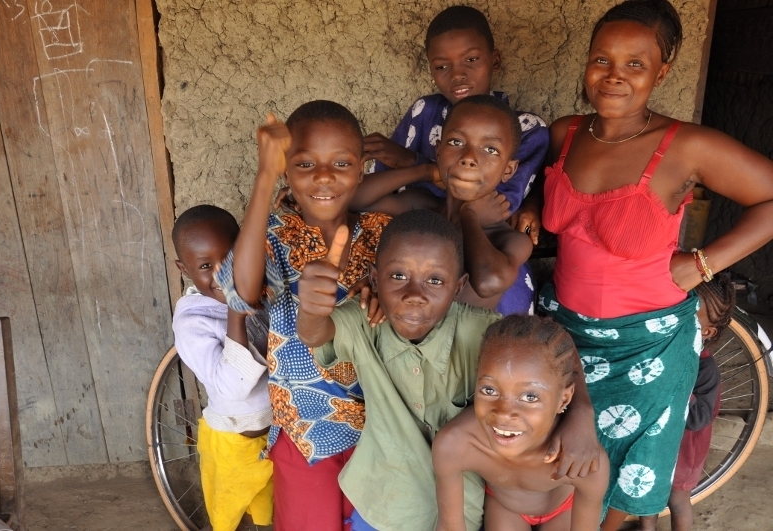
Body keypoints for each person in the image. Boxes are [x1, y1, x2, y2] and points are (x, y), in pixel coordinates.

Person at [538, 1, 773, 529]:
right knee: (555, 464)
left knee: (630, 467)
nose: (614, 75)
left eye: (635, 64)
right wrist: (533, 210)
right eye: (602, 59)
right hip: (565, 334)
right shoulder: (566, 134)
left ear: (662, 72)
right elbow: (540, 195)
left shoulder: (686, 146)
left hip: (649, 345)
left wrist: (704, 264)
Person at [295, 209, 597, 531]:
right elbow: (315, 334)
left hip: (463, 507)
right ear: (374, 278)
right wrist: (311, 309)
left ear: (458, 287)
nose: (414, 295)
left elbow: (553, 346)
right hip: (384, 502)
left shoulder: (481, 332)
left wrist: (581, 413)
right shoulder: (364, 320)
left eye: (435, 280)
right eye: (398, 276)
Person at [213, 100, 390, 531]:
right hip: (305, 432)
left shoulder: (383, 234)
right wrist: (263, 176)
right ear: (286, 173)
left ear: (362, 170)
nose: (324, 176)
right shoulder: (275, 235)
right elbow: (241, 294)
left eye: (341, 163)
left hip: (382, 428)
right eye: (305, 163)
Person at [360, 5, 549, 314]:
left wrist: (412, 162)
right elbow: (373, 192)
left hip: (486, 255)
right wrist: (424, 170)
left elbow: (495, 204)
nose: (458, 74)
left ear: (495, 60)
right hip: (419, 250)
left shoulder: (525, 128)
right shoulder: (424, 112)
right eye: (441, 66)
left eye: (471, 60)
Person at [352, 95, 534, 313]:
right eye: (456, 142)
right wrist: (426, 171)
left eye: (490, 150)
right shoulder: (422, 206)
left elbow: (488, 282)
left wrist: (469, 217)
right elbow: (353, 199)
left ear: (508, 170)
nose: (469, 158)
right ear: (438, 151)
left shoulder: (510, 240)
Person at [433, 315, 609, 531]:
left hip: (565, 508)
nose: (504, 414)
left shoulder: (582, 460)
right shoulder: (454, 444)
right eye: (489, 390)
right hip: (506, 507)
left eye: (530, 397)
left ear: (563, 400)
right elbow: (449, 526)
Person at [171, 204, 272, 531]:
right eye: (205, 266)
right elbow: (232, 386)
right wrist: (235, 314)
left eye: (230, 258)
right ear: (184, 269)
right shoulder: (192, 324)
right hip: (232, 444)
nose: (222, 274)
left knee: (268, 515)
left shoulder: (260, 293)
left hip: (274, 435)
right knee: (230, 519)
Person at [638, 274, 735, 531]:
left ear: (707, 331)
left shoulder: (706, 369)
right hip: (657, 446)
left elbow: (700, 417)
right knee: (648, 497)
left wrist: (676, 386)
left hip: (684, 451)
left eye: (688, 317)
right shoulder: (664, 355)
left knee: (678, 501)